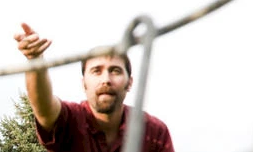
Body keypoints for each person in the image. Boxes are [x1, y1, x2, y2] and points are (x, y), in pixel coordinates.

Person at [14, 23, 174, 152]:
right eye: (96, 71)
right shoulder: (70, 119)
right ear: (84, 83)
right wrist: (35, 59)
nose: (106, 80)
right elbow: (44, 107)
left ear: (129, 83)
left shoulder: (154, 132)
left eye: (115, 71)